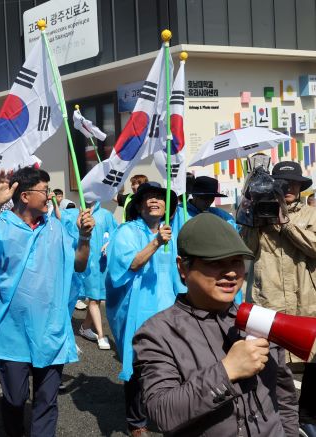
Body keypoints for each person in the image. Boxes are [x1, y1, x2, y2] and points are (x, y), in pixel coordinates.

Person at [134, 213, 299, 436]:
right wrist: (227, 370)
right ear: (183, 268)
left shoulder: (259, 320)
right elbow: (162, 412)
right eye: (214, 262)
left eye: (236, 261)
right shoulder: (157, 333)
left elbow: (283, 395)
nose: (231, 272)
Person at [0, 167, 94, 436]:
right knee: (14, 398)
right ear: (25, 196)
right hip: (11, 331)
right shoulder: (0, 225)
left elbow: (79, 265)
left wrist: (84, 237)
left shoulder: (56, 228)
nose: (50, 196)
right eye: (45, 190)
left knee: (47, 400)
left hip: (50, 329)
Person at [239, 161, 316, 434]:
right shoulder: (260, 215)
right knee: (271, 365)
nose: (289, 187)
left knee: (313, 368)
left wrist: (286, 225)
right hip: (268, 301)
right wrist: (251, 219)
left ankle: (307, 418)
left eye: (294, 182)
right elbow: (244, 251)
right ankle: (271, 420)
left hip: (307, 303)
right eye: (282, 183)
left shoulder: (310, 214)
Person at [105, 182, 185, 436]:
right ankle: (136, 422)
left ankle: (166, 412)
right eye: (148, 198)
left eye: (159, 198)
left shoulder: (169, 233)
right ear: (139, 206)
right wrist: (154, 243)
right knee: (138, 365)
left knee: (169, 364)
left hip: (167, 308)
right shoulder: (126, 232)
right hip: (136, 310)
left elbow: (174, 273)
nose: (154, 201)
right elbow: (131, 265)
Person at [78, 202, 118, 350]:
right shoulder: (77, 213)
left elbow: (115, 232)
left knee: (98, 297)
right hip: (87, 263)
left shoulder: (106, 214)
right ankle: (101, 335)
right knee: (94, 299)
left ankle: (85, 326)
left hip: (102, 262)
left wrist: (108, 244)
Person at [173, 176, 237, 229]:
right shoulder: (178, 213)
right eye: (205, 198)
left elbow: (235, 227)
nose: (208, 202)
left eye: (211, 198)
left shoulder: (218, 214)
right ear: (194, 195)